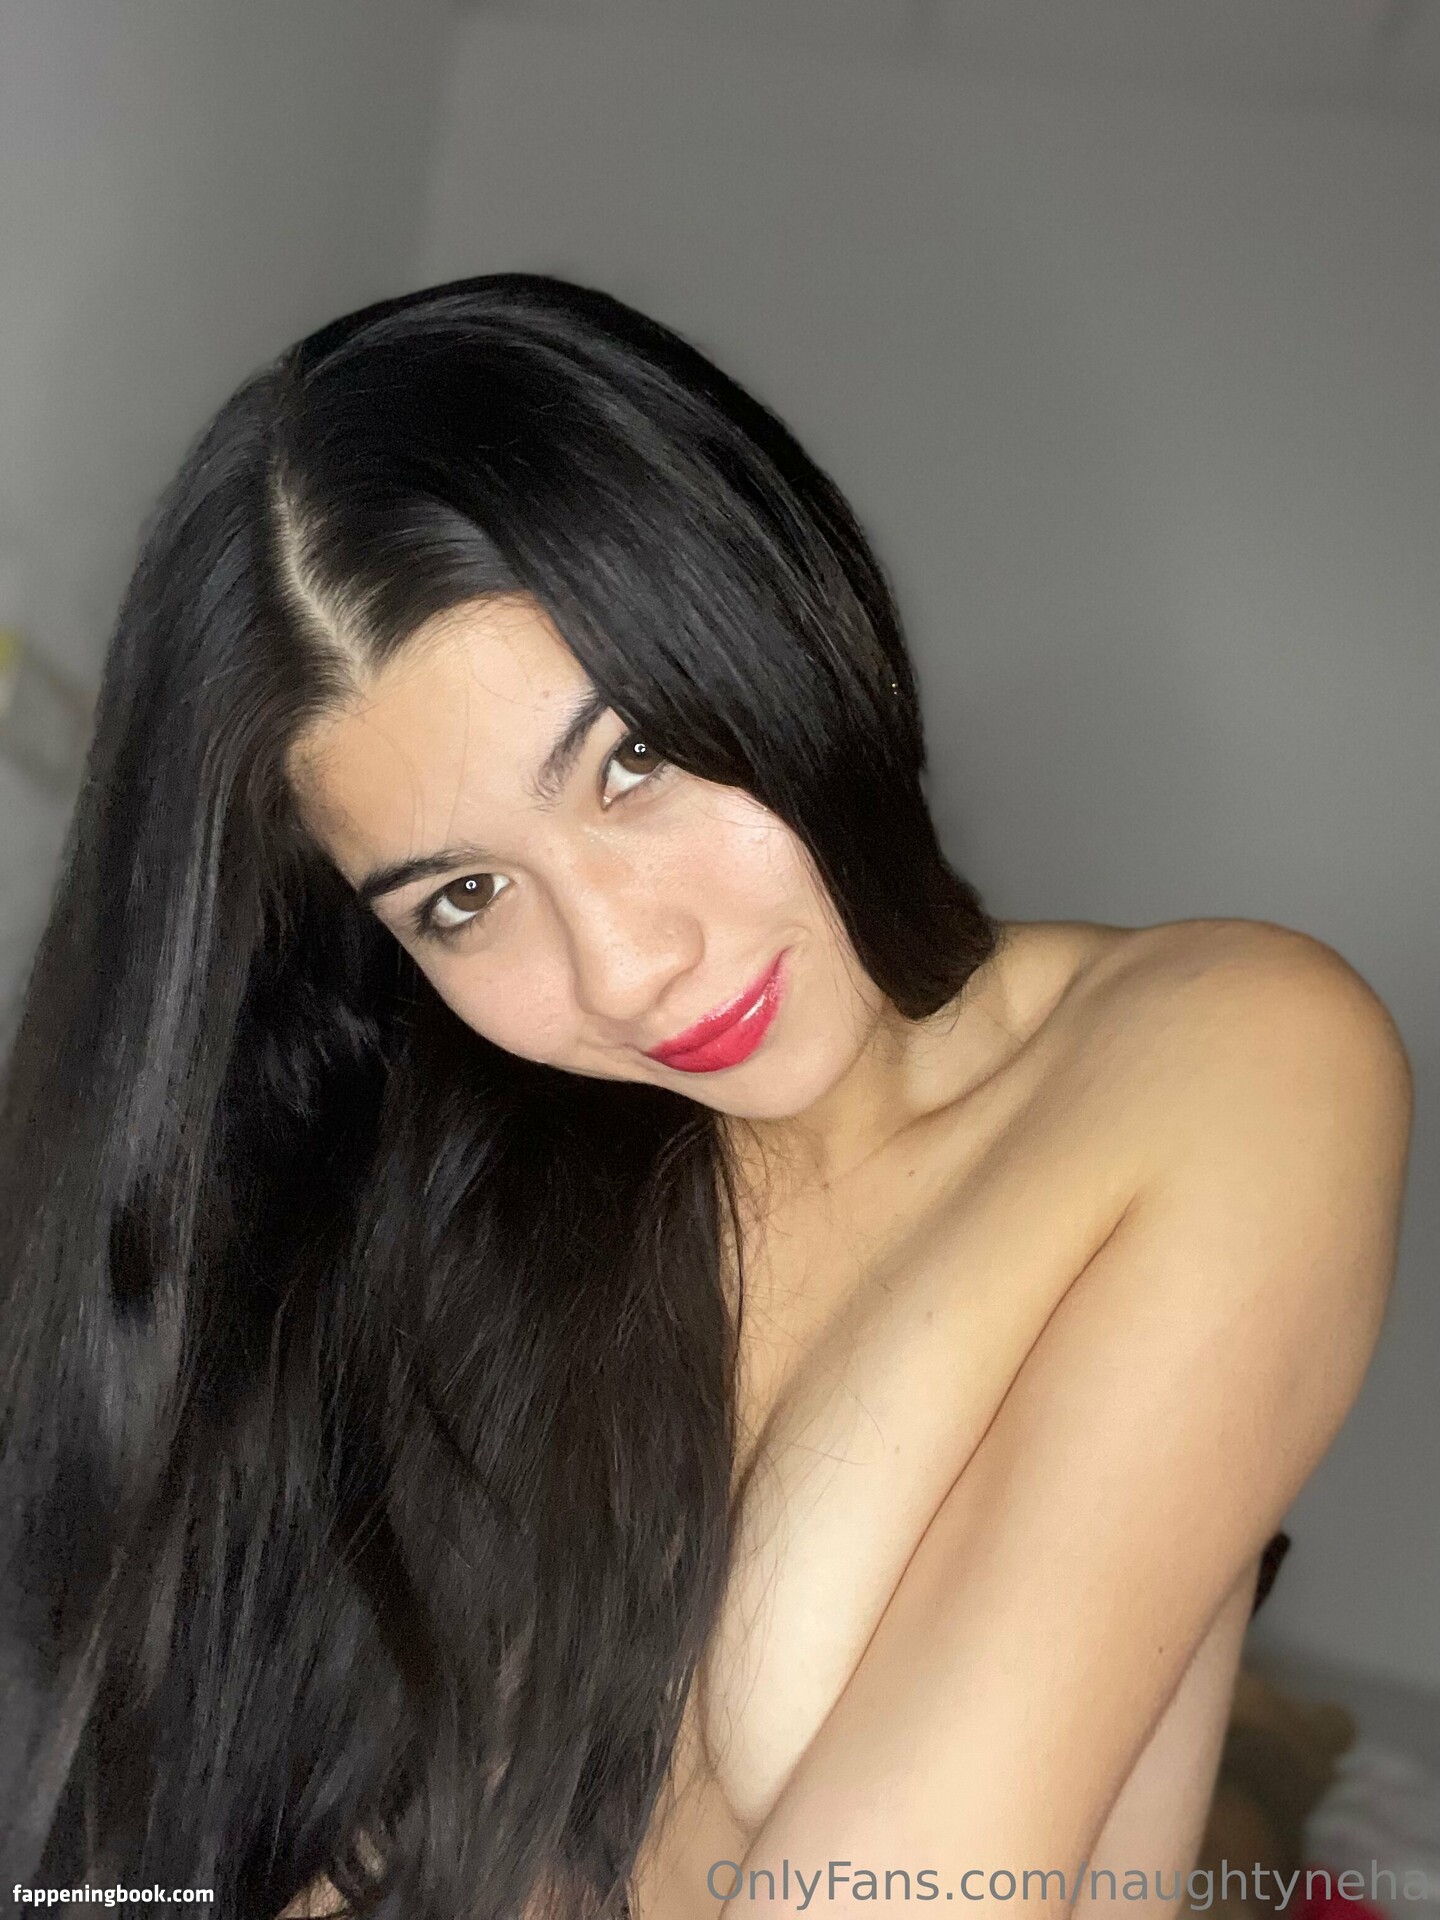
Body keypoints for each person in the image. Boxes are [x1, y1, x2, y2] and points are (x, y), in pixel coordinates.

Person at [0, 275, 1411, 1920]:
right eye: (463, 898)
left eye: (634, 760)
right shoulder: (480, 1210)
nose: (625, 968)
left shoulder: (1224, 1052)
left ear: (773, 620)